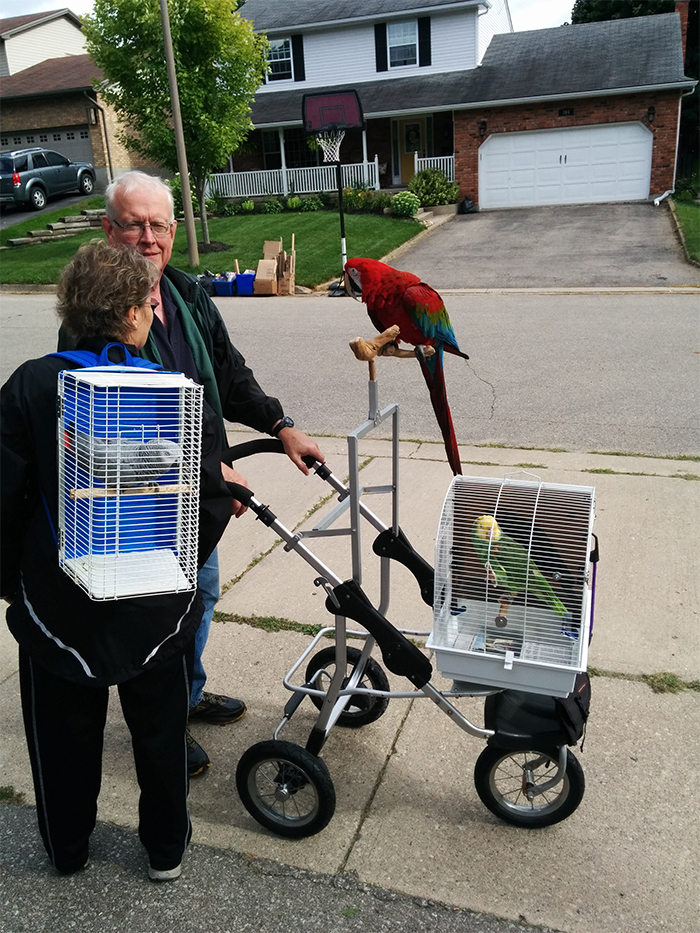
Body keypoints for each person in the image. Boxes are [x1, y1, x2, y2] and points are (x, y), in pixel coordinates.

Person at [1, 241, 234, 881]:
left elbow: (3, 499)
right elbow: (210, 501)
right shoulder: (178, 393)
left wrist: (15, 587)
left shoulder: (28, 384)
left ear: (71, 311)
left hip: (57, 608)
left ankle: (68, 849)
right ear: (136, 315)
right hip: (157, 604)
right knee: (160, 738)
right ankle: (165, 851)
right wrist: (181, 570)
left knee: (62, 739)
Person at [94, 170, 323, 776]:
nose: (148, 237)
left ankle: (186, 696)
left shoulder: (186, 293)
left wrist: (281, 426)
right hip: (142, 503)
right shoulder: (95, 313)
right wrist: (209, 470)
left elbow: (228, 372)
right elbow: (120, 435)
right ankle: (161, 723)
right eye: (135, 224)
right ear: (108, 230)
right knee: (158, 613)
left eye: (159, 224)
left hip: (205, 493)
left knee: (201, 596)